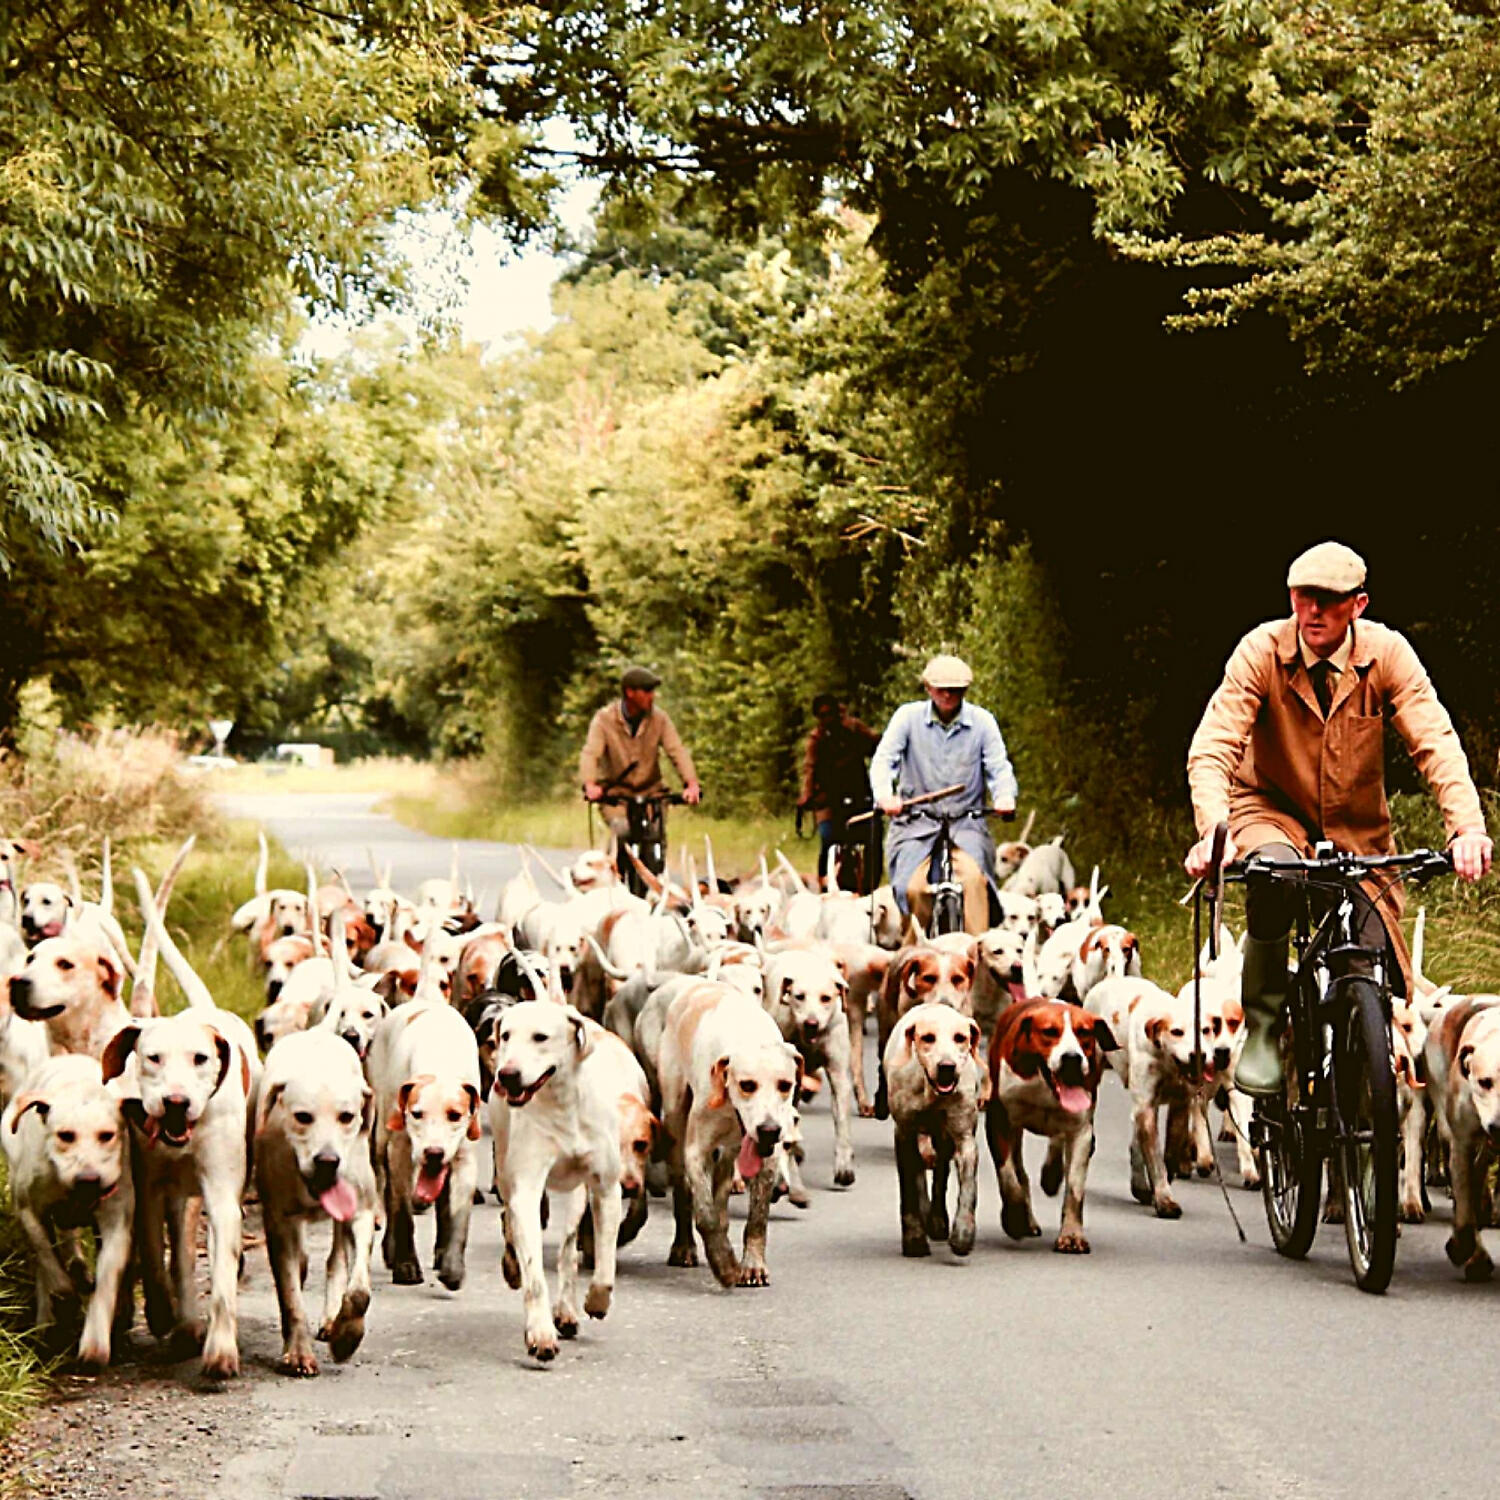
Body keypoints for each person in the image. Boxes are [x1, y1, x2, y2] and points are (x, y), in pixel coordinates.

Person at [1184, 540, 1492, 1095]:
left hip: (1358, 831)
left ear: (1359, 604)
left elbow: (1436, 742)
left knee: (1368, 961)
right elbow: (1215, 745)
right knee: (1274, 877)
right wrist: (1215, 832)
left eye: (1329, 600)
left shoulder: (1387, 654)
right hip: (1267, 810)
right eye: (1303, 598)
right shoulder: (1261, 651)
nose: (1313, 613)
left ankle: (1358, 1066)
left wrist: (1466, 828)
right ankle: (1263, 1024)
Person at [870, 654, 1018, 925]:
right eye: (942, 689)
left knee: (976, 883)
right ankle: (918, 954)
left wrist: (1004, 796)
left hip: (966, 823)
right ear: (928, 688)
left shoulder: (982, 722)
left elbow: (999, 767)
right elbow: (883, 761)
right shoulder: (907, 717)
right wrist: (885, 796)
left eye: (956, 690)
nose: (948, 695)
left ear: (965, 691)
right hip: (916, 823)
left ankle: (976, 955)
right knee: (911, 889)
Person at [581, 666, 702, 876]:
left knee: (654, 836)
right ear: (630, 692)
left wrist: (691, 783)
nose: (652, 696)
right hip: (617, 795)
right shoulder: (604, 719)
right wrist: (590, 784)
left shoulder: (660, 719)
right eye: (647, 691)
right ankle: (617, 877)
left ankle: (654, 881)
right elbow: (591, 753)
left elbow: (677, 751)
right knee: (621, 829)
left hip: (651, 792)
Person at [797, 694, 880, 886]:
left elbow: (876, 746)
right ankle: (825, 884)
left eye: (830, 714)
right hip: (828, 798)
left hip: (859, 793)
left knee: (872, 838)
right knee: (828, 839)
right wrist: (807, 795)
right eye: (822, 715)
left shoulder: (854, 729)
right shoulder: (816, 739)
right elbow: (809, 767)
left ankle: (870, 885)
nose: (828, 719)